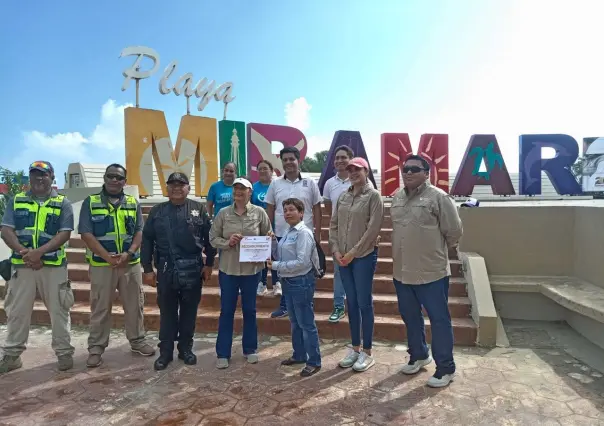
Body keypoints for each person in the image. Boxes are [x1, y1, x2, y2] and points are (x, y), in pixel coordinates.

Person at [390, 155, 463, 388]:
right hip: (402, 271)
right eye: (405, 169)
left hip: (431, 272)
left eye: (414, 169)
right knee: (410, 317)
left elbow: (454, 232)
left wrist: (433, 251)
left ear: (426, 172)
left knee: (439, 320)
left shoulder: (439, 197)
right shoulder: (397, 198)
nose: (408, 173)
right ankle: (419, 355)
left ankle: (445, 368)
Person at [0, 161, 75, 373]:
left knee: (59, 311)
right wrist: (27, 254)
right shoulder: (17, 201)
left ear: (51, 177)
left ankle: (63, 353)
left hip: (53, 267)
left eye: (43, 175)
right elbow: (6, 231)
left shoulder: (63, 203)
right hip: (22, 267)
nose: (38, 179)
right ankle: (12, 355)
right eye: (34, 175)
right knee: (16, 312)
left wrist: (39, 253)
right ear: (30, 178)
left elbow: (65, 234)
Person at [79, 164, 155, 368]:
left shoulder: (132, 202)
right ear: (104, 178)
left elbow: (140, 230)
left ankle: (137, 340)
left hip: (129, 264)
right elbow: (86, 233)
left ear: (124, 181)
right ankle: (96, 348)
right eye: (111, 176)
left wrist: (128, 253)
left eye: (119, 178)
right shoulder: (91, 202)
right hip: (102, 265)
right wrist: (107, 257)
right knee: (100, 307)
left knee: (134, 305)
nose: (115, 180)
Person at [141, 172, 216, 371]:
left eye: (181, 184)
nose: (176, 188)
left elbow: (210, 239)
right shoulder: (157, 211)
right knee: (167, 313)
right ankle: (165, 352)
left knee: (189, 313)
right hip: (167, 269)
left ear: (188, 188)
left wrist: (209, 264)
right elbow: (147, 240)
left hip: (193, 268)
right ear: (167, 188)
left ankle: (185, 349)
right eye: (172, 185)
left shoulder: (198, 209)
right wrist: (147, 269)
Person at [210, 177, 272, 369]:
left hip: (251, 271)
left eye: (242, 189)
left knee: (250, 310)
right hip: (228, 269)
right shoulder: (223, 213)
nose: (238, 192)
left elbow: (268, 234)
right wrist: (227, 243)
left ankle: (250, 349)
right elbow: (213, 238)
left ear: (250, 192)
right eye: (236, 189)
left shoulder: (259, 213)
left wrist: (266, 241)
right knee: (226, 311)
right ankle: (223, 353)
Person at [330, 157, 383, 372]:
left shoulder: (373, 196)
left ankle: (367, 351)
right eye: (350, 170)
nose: (353, 173)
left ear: (366, 171)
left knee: (363, 302)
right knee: (350, 302)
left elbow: (373, 230)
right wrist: (335, 249)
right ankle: (355, 347)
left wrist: (352, 253)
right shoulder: (343, 196)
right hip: (342, 257)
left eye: (357, 170)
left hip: (362, 257)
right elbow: (333, 225)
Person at [266, 147, 322, 318]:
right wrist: (270, 230)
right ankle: (284, 305)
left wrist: (317, 233)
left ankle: (306, 304)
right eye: (285, 159)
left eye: (292, 159)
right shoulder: (275, 183)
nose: (289, 162)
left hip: (304, 234)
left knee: (305, 269)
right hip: (282, 233)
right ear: (281, 162)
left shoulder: (310, 182)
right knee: (283, 271)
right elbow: (270, 207)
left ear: (299, 161)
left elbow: (317, 208)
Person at [268, 198, 321, 377]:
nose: (288, 213)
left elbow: (302, 262)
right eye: (285, 210)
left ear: (301, 213)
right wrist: (274, 242)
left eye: (292, 209)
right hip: (288, 281)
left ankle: (313, 361)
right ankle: (299, 355)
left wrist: (275, 266)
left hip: (301, 282)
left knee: (306, 323)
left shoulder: (303, 233)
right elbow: (279, 255)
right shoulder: (288, 232)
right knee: (295, 322)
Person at [322, 146, 353, 323]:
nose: (340, 161)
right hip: (338, 234)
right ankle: (339, 306)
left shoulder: (360, 179)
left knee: (358, 272)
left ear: (351, 159)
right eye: (337, 158)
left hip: (358, 234)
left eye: (344, 157)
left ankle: (357, 306)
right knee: (339, 271)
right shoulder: (329, 183)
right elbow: (328, 208)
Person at [252, 159, 279, 296]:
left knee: (275, 255)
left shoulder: (276, 186)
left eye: (265, 168)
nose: (262, 171)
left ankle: (276, 283)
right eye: (260, 169)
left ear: (272, 171)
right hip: (258, 228)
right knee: (261, 256)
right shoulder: (253, 187)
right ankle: (261, 283)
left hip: (276, 227)